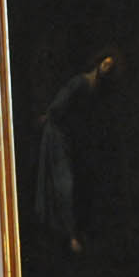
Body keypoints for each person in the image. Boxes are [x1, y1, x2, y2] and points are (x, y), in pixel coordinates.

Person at [32, 50, 118, 256]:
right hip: (58, 135)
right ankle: (69, 236)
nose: (107, 69)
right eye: (105, 64)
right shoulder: (80, 82)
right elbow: (60, 104)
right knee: (64, 184)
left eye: (111, 67)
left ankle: (76, 233)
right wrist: (51, 115)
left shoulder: (97, 90)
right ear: (98, 63)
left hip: (74, 138)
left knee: (82, 183)